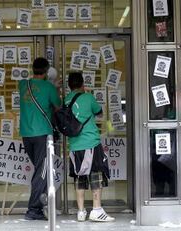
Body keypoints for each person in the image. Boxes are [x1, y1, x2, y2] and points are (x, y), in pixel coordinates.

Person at [65, 72, 114, 222]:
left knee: (79, 176)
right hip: (91, 142)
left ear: (69, 85)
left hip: (73, 145)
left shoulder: (66, 100)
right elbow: (99, 113)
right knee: (96, 174)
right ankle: (97, 210)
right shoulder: (88, 97)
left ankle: (81, 212)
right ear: (82, 84)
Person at [19, 57, 61, 220]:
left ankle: (40, 202)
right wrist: (55, 88)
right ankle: (34, 210)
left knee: (39, 170)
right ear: (46, 71)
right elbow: (58, 106)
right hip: (43, 134)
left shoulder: (22, 84)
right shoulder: (49, 87)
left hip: (26, 135)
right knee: (41, 172)